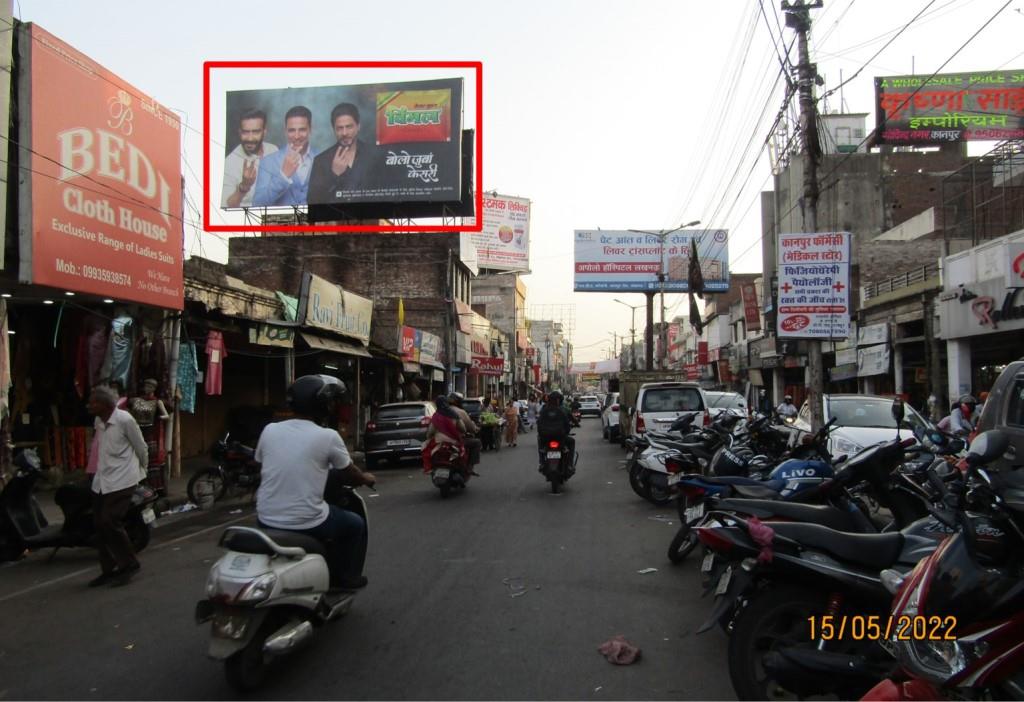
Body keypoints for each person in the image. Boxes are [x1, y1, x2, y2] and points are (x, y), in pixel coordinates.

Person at [255, 375, 375, 591]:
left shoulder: (269, 430)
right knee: (355, 524)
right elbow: (349, 472)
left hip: (265, 519)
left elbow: (264, 463)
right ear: (321, 406)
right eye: (330, 402)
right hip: (308, 521)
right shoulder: (328, 436)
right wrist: (366, 478)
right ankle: (345, 578)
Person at [87, 385, 148, 588]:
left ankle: (130, 564)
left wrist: (142, 471)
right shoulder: (99, 422)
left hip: (123, 479)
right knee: (99, 525)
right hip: (102, 480)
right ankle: (109, 569)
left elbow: (141, 447)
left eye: (94, 402)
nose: (90, 405)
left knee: (110, 520)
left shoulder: (125, 420)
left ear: (105, 405)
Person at [308, 102, 376, 204]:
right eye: (339, 128)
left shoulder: (374, 155)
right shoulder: (321, 161)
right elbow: (313, 202)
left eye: (349, 127)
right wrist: (334, 175)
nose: (344, 133)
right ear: (334, 130)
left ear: (358, 127)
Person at [253, 106, 315, 207]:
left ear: (310, 129)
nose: (297, 136)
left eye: (302, 130)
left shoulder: (322, 158)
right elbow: (257, 204)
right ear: (285, 131)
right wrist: (283, 176)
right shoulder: (267, 162)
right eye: (291, 130)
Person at [221, 108, 278, 208]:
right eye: (245, 132)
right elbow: (227, 206)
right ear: (239, 132)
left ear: (264, 132)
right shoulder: (229, 162)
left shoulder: (273, 150)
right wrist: (244, 186)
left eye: (255, 132)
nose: (250, 138)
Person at [423, 396, 470, 477]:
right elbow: (463, 428)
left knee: (425, 450)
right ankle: (463, 471)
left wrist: (428, 437)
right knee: (462, 454)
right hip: (454, 441)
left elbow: (430, 432)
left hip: (439, 442)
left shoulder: (436, 416)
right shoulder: (454, 414)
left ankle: (429, 469)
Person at [447, 393, 481, 469]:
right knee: (477, 442)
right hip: (456, 440)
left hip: (441, 441)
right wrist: (474, 429)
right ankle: (469, 466)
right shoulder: (460, 412)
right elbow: (469, 427)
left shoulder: (439, 412)